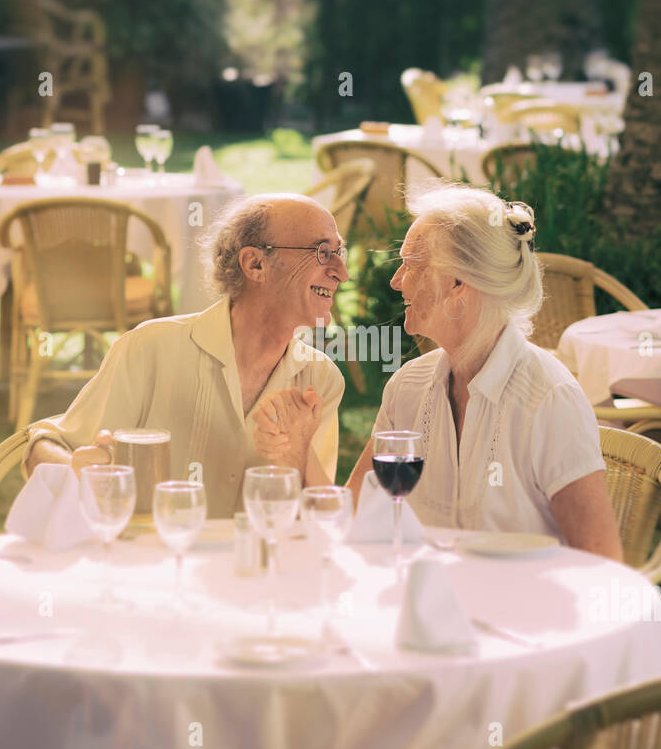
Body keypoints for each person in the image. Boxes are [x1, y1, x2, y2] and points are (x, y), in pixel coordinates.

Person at [6, 192, 347, 749]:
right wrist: (63, 465)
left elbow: (322, 515)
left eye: (339, 250)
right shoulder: (154, 346)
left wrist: (299, 457)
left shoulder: (317, 377)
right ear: (254, 264)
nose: (338, 266)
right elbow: (52, 440)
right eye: (320, 250)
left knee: (211, 720)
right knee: (69, 691)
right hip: (132, 581)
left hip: (247, 597)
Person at [254, 183, 623, 558]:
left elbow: (601, 559)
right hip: (427, 607)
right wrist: (298, 449)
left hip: (521, 611)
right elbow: (352, 517)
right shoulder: (409, 387)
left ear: (458, 283)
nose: (396, 281)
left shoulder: (548, 399)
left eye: (412, 265)